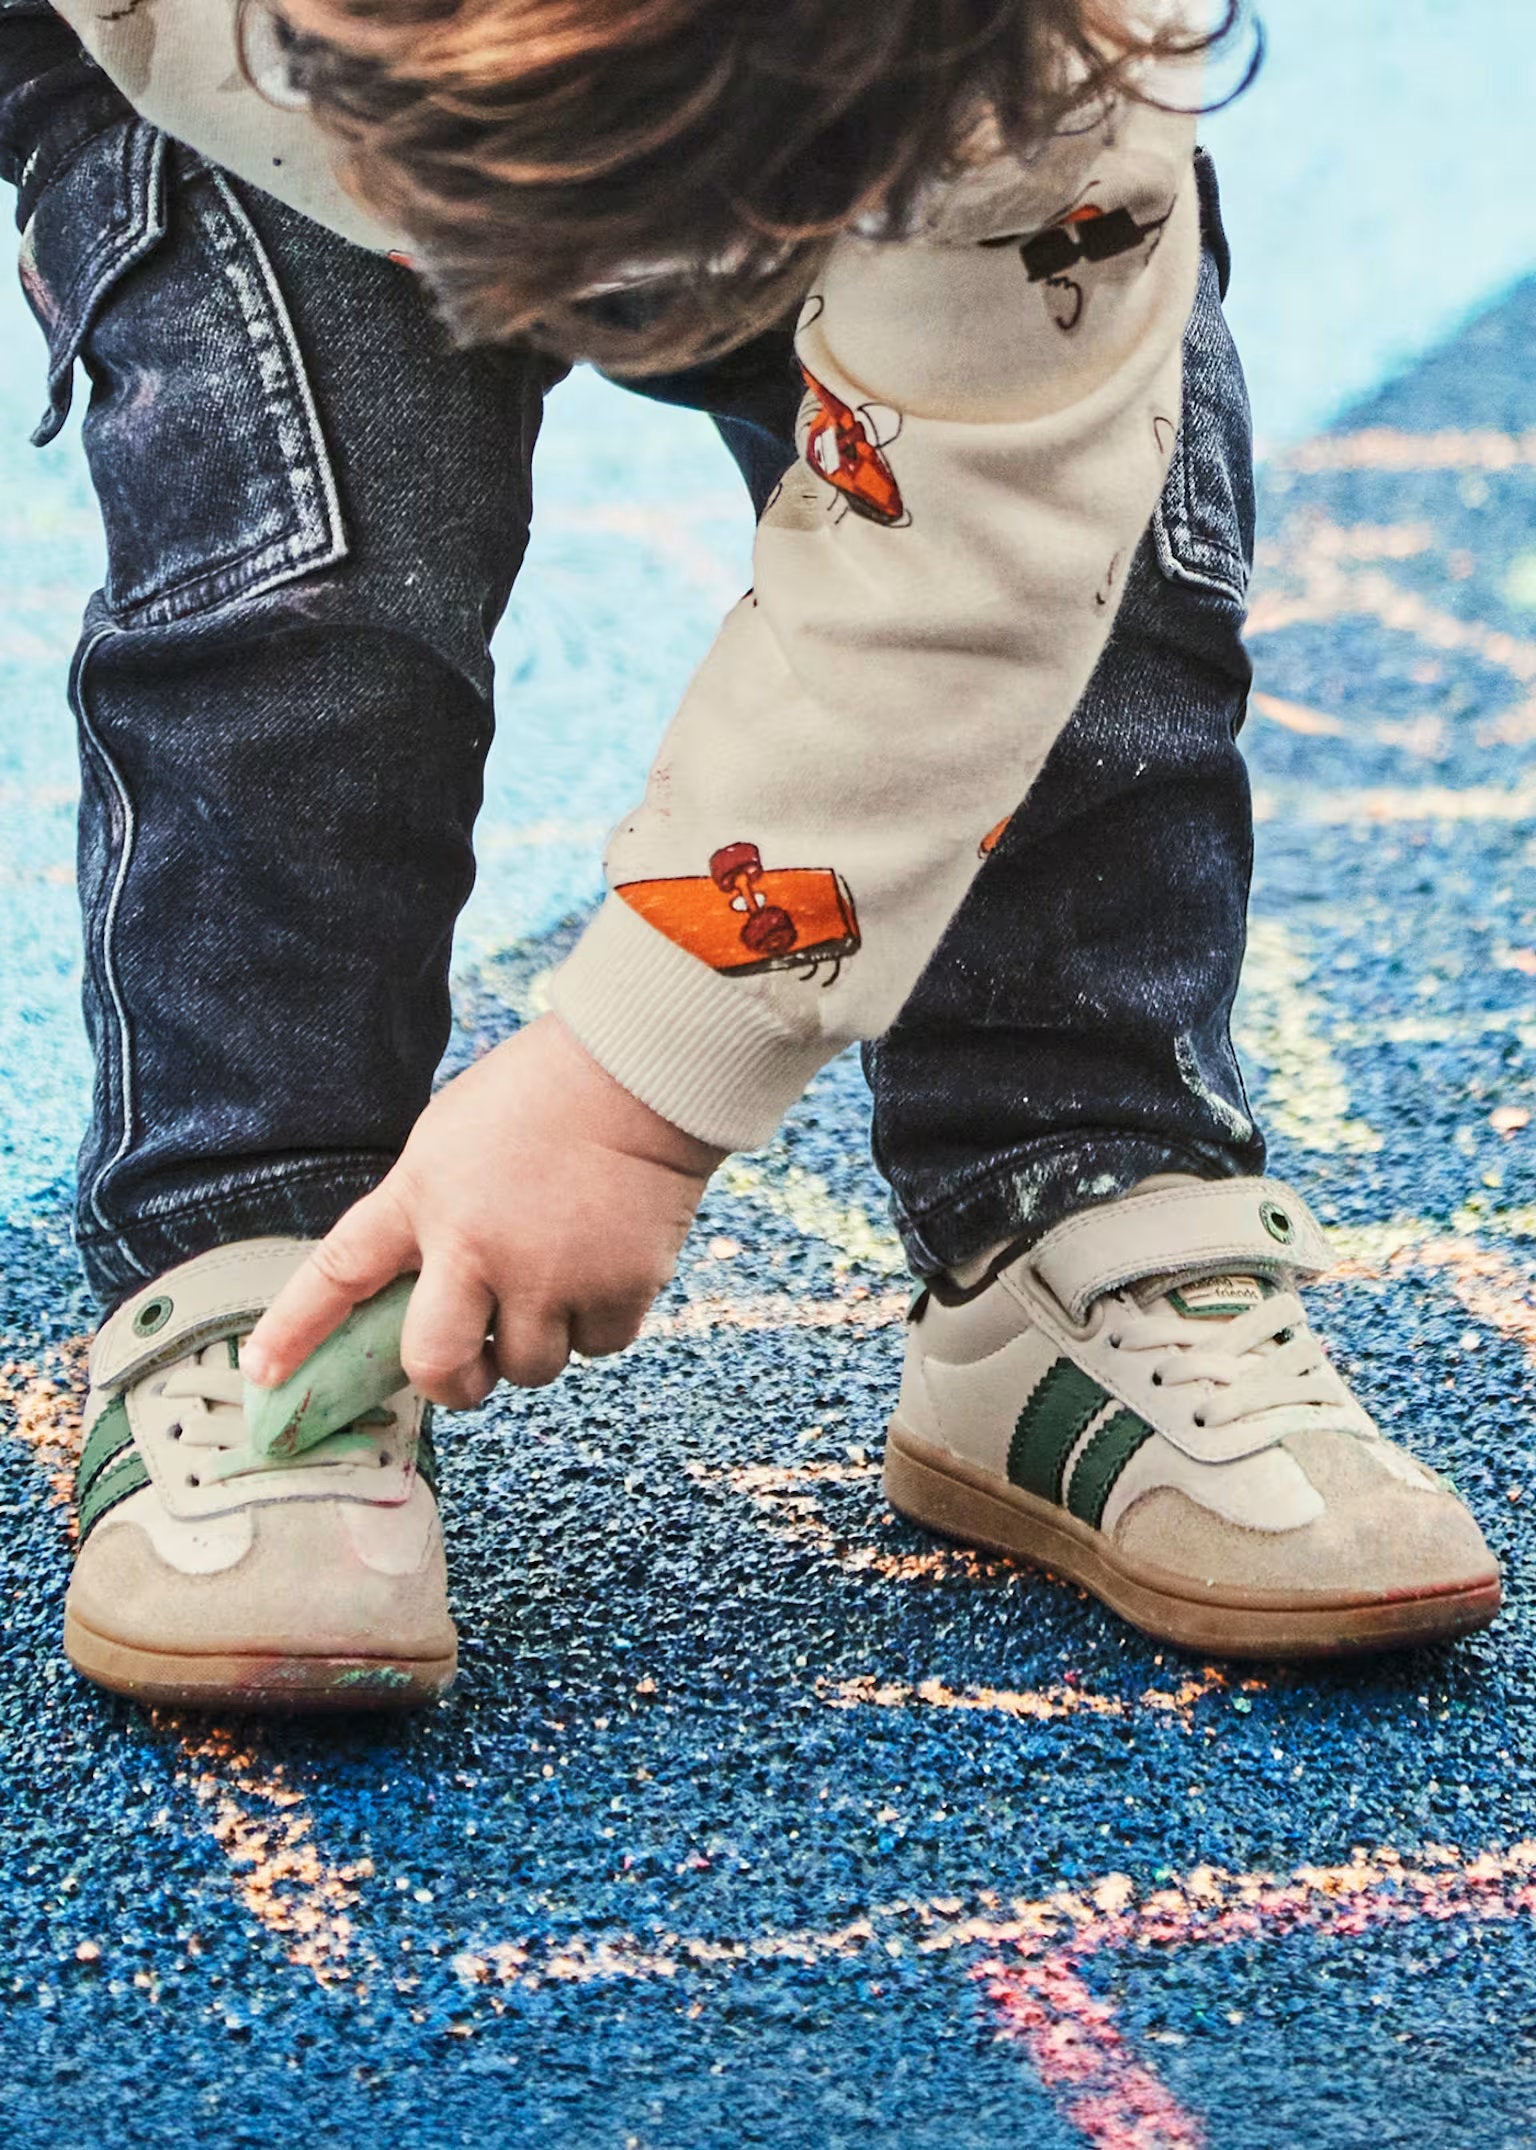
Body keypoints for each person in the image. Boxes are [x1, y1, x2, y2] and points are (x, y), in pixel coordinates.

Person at [2, 0, 1499, 1709]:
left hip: (911, 105)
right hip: (236, 79)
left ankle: (1071, 1193)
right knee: (310, 545)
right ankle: (262, 1270)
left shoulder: (1014, 73)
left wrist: (628, 1093)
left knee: (1093, 472)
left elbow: (981, 554)